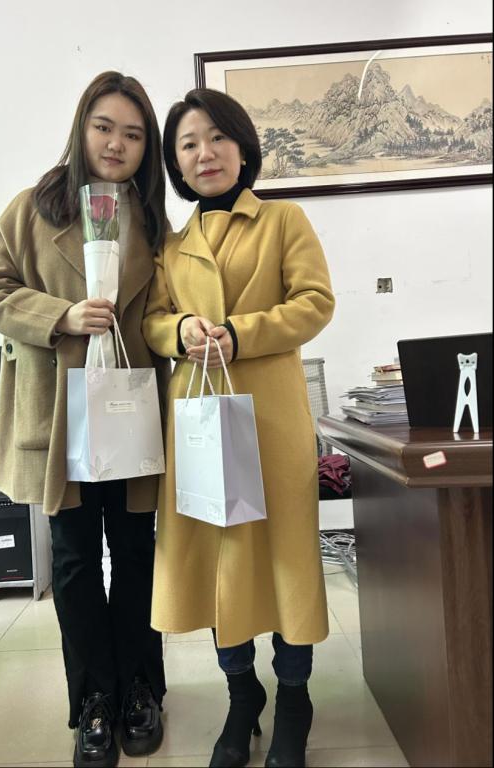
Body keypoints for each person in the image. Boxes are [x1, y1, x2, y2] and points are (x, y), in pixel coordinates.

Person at [0, 71, 170, 768]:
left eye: (133, 134)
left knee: (136, 553)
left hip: (132, 409)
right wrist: (60, 316)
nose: (116, 144)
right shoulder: (32, 209)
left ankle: (141, 688)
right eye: (104, 127)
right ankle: (93, 700)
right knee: (76, 559)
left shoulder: (152, 221)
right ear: (82, 128)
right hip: (61, 419)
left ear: (146, 148)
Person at [142, 88, 335, 768]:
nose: (205, 153)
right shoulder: (172, 245)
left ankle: (294, 698)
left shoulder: (283, 219)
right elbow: (151, 319)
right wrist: (178, 331)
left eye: (217, 137)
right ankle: (241, 694)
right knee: (219, 556)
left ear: (243, 146)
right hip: (200, 416)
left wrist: (239, 333)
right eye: (188, 143)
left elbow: (314, 302)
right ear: (175, 162)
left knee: (285, 558)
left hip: (271, 417)